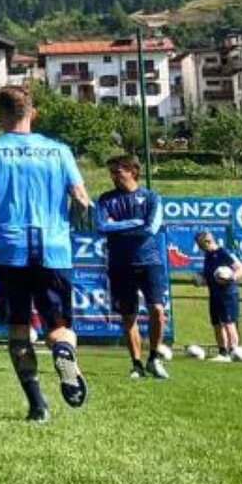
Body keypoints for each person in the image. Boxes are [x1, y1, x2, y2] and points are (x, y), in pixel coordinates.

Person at [0, 84, 93, 423]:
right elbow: (82, 198)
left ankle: (38, 405)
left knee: (20, 331)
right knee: (59, 325)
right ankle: (64, 351)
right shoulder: (59, 151)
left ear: (1, 115)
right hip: (54, 249)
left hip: (11, 250)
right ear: (32, 113)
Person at [95, 155, 169, 380]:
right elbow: (100, 226)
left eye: (118, 171)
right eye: (112, 172)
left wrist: (116, 227)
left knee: (157, 310)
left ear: (132, 171)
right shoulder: (106, 199)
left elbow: (151, 229)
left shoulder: (151, 197)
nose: (114, 175)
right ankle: (136, 364)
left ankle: (154, 358)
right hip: (120, 264)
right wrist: (135, 222)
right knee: (128, 316)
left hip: (149, 261)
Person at [195, 232, 242, 361]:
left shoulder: (223, 253)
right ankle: (223, 352)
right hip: (214, 293)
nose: (199, 248)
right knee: (217, 323)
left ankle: (234, 351)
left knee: (228, 322)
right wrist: (201, 280)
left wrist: (230, 277)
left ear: (207, 241)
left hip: (227, 293)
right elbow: (211, 276)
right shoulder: (208, 255)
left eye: (200, 244)